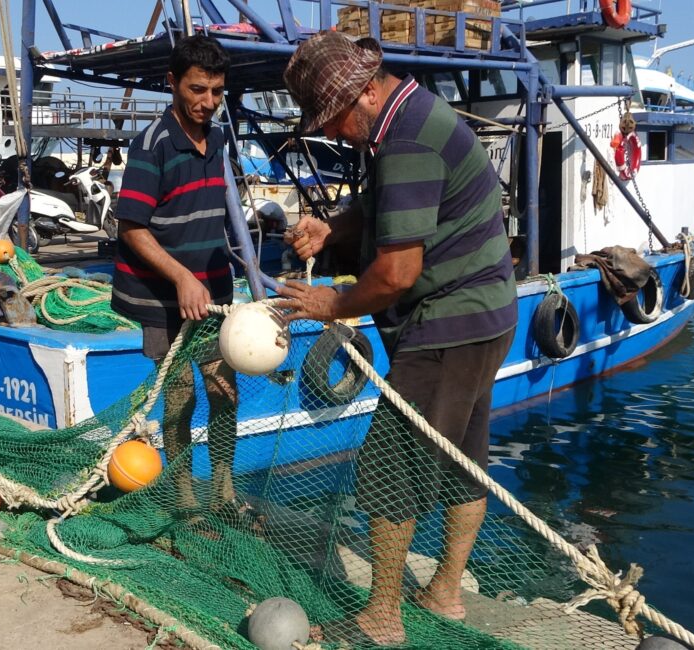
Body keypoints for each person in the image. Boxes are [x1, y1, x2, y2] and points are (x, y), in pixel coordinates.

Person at [279, 32, 518, 646]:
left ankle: (382, 619)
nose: (331, 133)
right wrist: (332, 231)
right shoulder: (409, 112)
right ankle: (445, 592)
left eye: (332, 119)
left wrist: (333, 303)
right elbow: (385, 202)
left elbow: (396, 274)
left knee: (390, 466)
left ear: (361, 93)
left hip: (447, 323)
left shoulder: (404, 139)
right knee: (466, 461)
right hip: (486, 317)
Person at [111, 35, 245, 523]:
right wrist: (182, 277)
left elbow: (222, 211)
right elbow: (131, 229)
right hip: (160, 297)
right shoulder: (153, 145)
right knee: (180, 399)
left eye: (216, 91)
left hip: (213, 292)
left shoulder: (220, 137)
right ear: (172, 84)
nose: (207, 102)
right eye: (197, 89)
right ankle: (186, 500)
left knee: (224, 391)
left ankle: (225, 493)